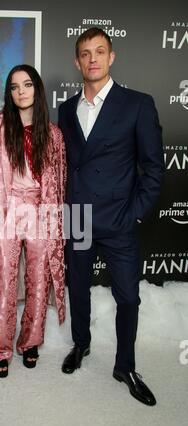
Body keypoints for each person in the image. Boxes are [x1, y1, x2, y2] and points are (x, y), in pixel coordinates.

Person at [58, 28, 164, 406]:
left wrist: (134, 214)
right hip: (80, 217)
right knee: (79, 287)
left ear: (112, 56)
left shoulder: (137, 104)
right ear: (77, 61)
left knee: (128, 297)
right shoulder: (66, 109)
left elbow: (153, 169)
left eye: (100, 51)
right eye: (85, 53)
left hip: (119, 218)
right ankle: (81, 345)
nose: (93, 59)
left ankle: (126, 366)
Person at [0, 64, 66, 378]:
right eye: (14, 87)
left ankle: (30, 342)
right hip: (5, 209)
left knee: (39, 280)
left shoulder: (53, 133)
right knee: (2, 279)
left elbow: (59, 180)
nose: (21, 92)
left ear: (37, 89)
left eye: (27, 85)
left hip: (41, 210)